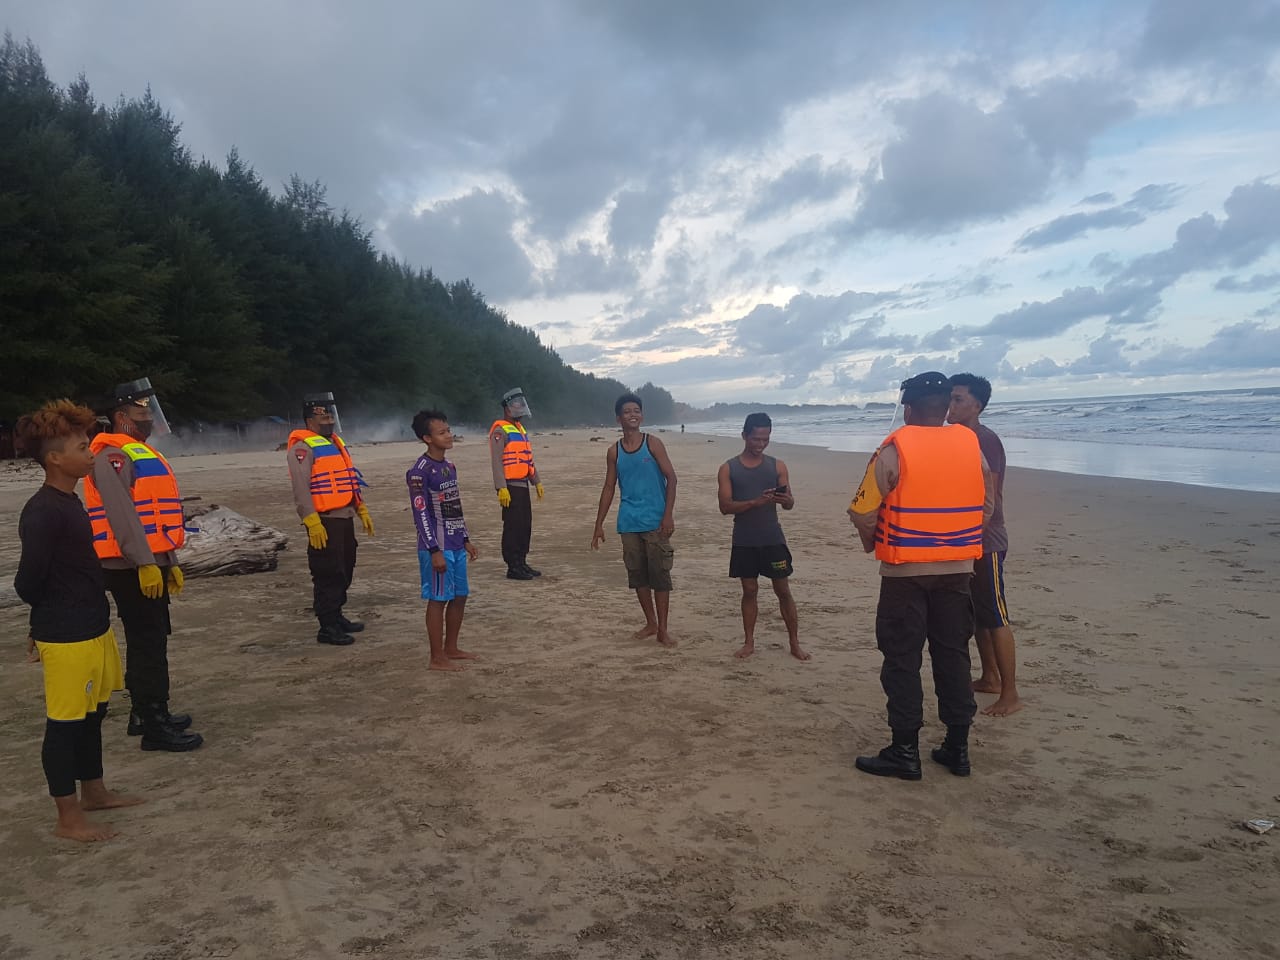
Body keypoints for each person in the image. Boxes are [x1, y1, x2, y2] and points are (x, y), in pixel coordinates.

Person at [848, 372, 994, 780]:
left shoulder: (894, 449)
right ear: (947, 407)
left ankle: (904, 751)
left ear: (908, 409)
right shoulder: (971, 446)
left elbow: (861, 510)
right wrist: (956, 540)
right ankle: (957, 748)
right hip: (957, 571)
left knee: (902, 660)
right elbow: (987, 507)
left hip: (904, 573)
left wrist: (875, 544)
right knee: (953, 656)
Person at [15, 400, 145, 840]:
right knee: (66, 724)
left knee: (94, 714)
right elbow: (28, 581)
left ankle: (95, 791)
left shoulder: (70, 501)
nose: (91, 453)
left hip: (94, 625)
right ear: (55, 458)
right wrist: (43, 623)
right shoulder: (43, 511)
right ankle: (67, 817)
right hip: (66, 633)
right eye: (82, 446)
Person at [83, 378, 203, 751]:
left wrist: (170, 560)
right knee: (148, 641)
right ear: (121, 415)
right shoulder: (111, 455)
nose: (149, 417)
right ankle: (154, 723)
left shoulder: (139, 451)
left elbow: (158, 517)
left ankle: (144, 712)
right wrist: (145, 562)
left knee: (151, 636)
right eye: (142, 411)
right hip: (130, 566)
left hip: (150, 560)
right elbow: (123, 516)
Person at [949, 373, 1023, 717]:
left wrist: (975, 536)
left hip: (986, 540)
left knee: (995, 614)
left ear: (976, 405)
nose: (951, 404)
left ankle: (1010, 693)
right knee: (978, 613)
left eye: (958, 399)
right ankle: (989, 676)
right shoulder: (957, 439)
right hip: (965, 538)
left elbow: (988, 497)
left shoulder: (984, 440)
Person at [716, 413, 809, 661]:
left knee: (783, 589)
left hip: (772, 538)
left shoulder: (777, 466)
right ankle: (748, 642)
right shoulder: (729, 468)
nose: (760, 444)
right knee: (749, 589)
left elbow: (788, 504)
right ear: (744, 435)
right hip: (745, 539)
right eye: (756, 439)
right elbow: (725, 506)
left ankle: (794, 642)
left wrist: (786, 500)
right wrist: (755, 502)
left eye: (765, 439)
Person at [591, 393, 679, 647]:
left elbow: (671, 479)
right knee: (638, 576)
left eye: (636, 410)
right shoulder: (614, 452)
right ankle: (650, 622)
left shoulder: (653, 443)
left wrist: (668, 514)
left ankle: (663, 629)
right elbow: (609, 487)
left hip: (655, 521)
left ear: (642, 415)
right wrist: (598, 524)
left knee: (660, 576)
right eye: (627, 411)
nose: (632, 414)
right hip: (628, 522)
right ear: (618, 418)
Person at [287, 392, 374, 646]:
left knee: (346, 566)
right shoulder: (302, 448)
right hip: (325, 520)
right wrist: (310, 520)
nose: (328, 419)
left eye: (330, 414)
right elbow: (301, 488)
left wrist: (361, 508)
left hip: (344, 516)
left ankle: (337, 615)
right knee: (328, 571)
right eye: (323, 415)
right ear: (309, 419)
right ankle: (327, 625)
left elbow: (348, 479)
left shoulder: (336, 444)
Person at [407, 410, 479, 671]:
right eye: (442, 432)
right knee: (438, 598)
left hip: (456, 543)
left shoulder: (449, 467)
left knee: (460, 596)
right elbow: (420, 513)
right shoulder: (419, 472)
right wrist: (434, 550)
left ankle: (452, 647)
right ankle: (436, 657)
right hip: (436, 546)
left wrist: (466, 538)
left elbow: (454, 506)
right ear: (427, 438)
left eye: (449, 430)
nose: (449, 436)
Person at [490, 387, 544, 581]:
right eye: (516, 404)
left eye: (521, 404)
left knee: (524, 525)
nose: (520, 407)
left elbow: (528, 459)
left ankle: (521, 562)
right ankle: (513, 566)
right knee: (513, 526)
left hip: (523, 485)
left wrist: (536, 481)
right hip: (510, 487)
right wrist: (501, 487)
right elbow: (496, 461)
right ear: (507, 407)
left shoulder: (520, 430)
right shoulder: (499, 431)